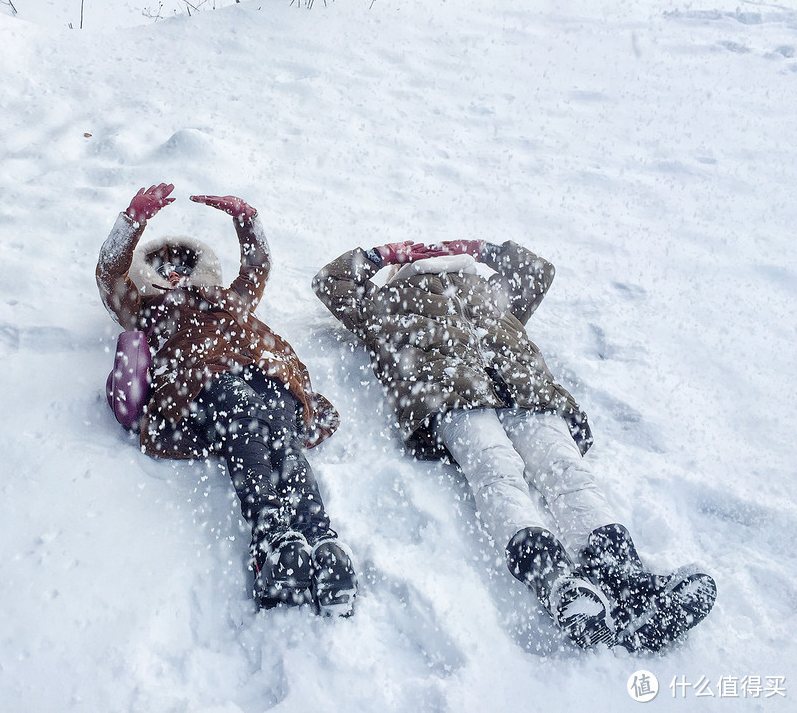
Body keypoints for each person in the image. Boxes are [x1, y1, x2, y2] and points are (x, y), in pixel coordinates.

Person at [312, 238, 716, 650]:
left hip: (526, 391)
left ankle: (627, 579)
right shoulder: (388, 301)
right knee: (497, 469)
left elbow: (538, 272)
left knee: (568, 471)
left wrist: (483, 249)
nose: (431, 258)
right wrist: (385, 255)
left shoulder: (487, 290)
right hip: (449, 393)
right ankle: (555, 580)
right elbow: (332, 281)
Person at [97, 183, 356, 615]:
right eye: (165, 270)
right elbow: (110, 276)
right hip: (202, 376)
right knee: (247, 420)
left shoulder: (231, 299)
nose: (176, 275)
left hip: (268, 368)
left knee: (281, 434)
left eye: (183, 266)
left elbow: (259, 265)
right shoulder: (148, 309)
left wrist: (246, 219)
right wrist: (132, 222)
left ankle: (319, 539)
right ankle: (271, 537)